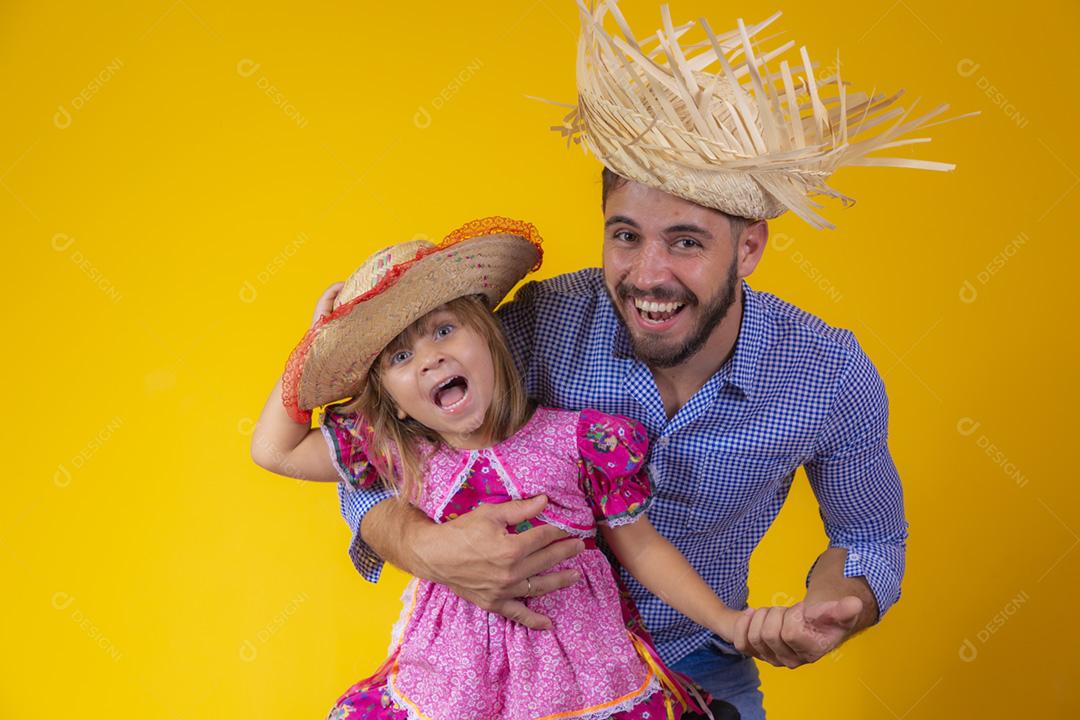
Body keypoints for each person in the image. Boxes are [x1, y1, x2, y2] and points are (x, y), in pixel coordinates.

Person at [333, 3, 972, 718]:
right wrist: (425, 549)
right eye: (626, 235)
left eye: (687, 242)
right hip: (522, 679)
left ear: (750, 248)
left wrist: (831, 608)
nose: (648, 274)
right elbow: (377, 446)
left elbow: (870, 539)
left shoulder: (827, 375)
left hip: (698, 662)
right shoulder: (537, 326)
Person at [252, 216, 748, 719]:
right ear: (395, 403)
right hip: (454, 687)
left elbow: (641, 548)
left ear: (490, 339)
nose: (430, 358)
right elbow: (274, 452)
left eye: (444, 330)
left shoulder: (581, 441)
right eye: (401, 356)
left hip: (582, 679)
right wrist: (315, 342)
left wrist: (728, 622)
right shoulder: (401, 454)